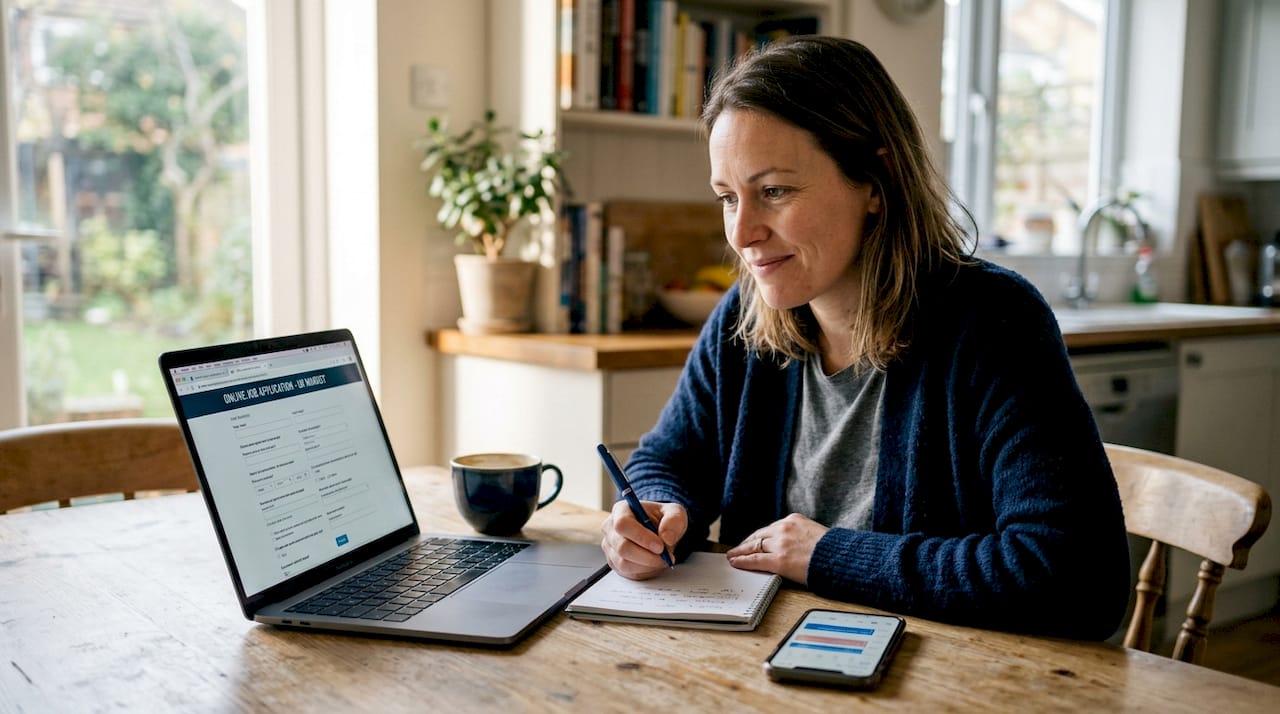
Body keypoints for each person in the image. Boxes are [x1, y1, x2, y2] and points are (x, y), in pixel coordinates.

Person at [598, 36, 1131, 639]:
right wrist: (654, 511)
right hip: (762, 666)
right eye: (728, 198)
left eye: (774, 191)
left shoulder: (993, 323)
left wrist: (825, 555)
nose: (743, 233)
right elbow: (669, 459)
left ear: (875, 184)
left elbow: (1080, 579)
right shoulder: (742, 320)